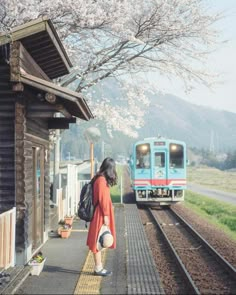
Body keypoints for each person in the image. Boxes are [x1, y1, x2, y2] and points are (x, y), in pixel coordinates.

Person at [86, 157, 117, 276]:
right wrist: (106, 215)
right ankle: (98, 268)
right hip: (101, 214)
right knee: (99, 240)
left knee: (99, 240)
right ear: (110, 169)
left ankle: (98, 267)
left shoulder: (99, 178)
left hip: (100, 212)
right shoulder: (102, 181)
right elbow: (103, 200)